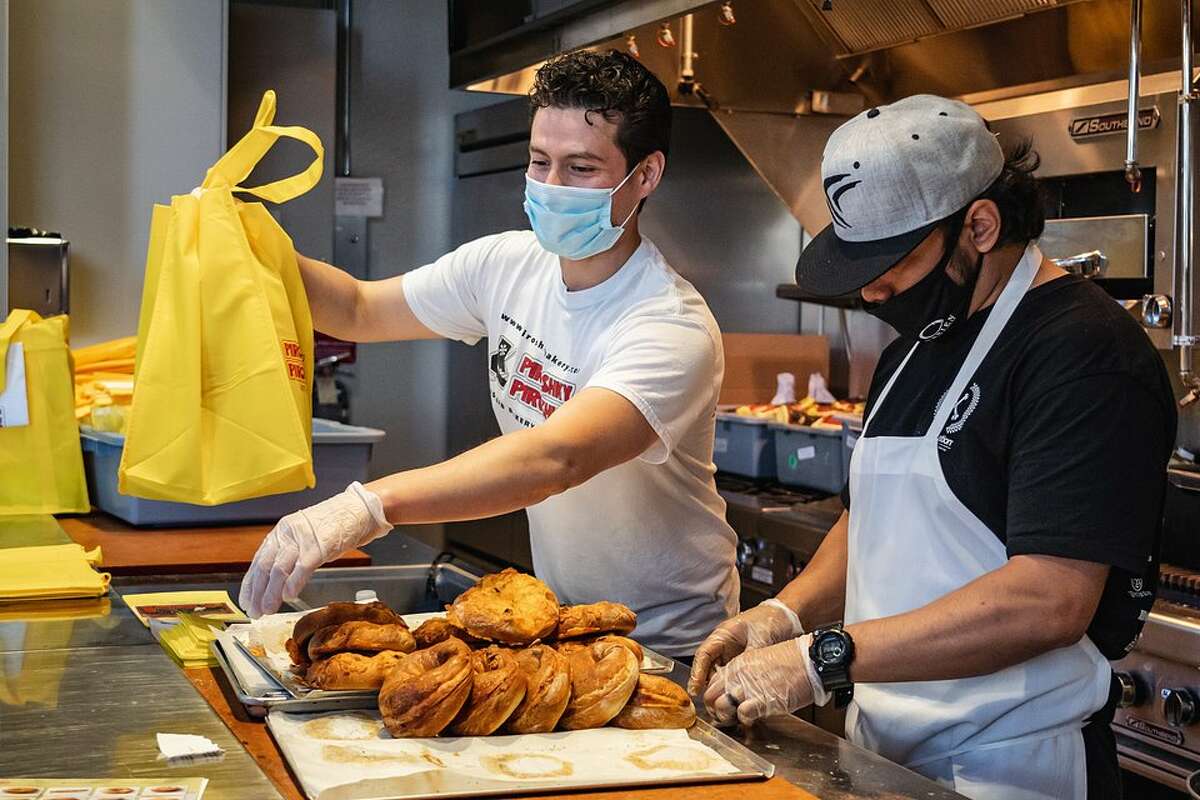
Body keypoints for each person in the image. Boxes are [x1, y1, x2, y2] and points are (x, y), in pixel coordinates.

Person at [687, 95, 1177, 799]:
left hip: (1011, 768)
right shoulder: (917, 347)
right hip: (883, 753)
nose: (872, 289)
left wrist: (824, 657)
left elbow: (1049, 598)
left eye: (891, 261)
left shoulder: (1084, 353)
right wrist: (783, 616)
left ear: (979, 224)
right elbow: (876, 523)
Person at [238, 49, 739, 659]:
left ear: (646, 174)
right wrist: (246, 243)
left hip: (672, 646)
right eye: (539, 162)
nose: (552, 187)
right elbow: (358, 309)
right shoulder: (507, 264)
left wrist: (371, 504)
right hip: (568, 627)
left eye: (581, 168)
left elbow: (558, 458)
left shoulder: (669, 325)